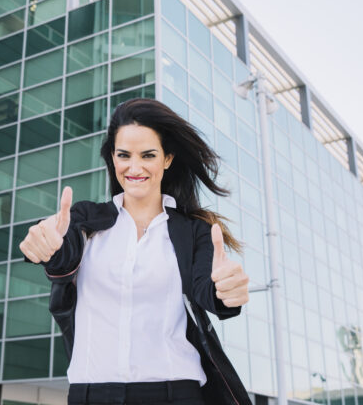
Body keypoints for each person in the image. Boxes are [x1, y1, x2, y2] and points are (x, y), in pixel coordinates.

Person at [20, 98, 252, 405]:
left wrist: (226, 291)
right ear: (113, 159)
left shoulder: (193, 232)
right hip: (92, 394)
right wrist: (45, 244)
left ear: (167, 159)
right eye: (124, 155)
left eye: (148, 155)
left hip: (175, 393)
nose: (134, 167)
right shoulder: (86, 220)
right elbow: (62, 253)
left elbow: (207, 292)